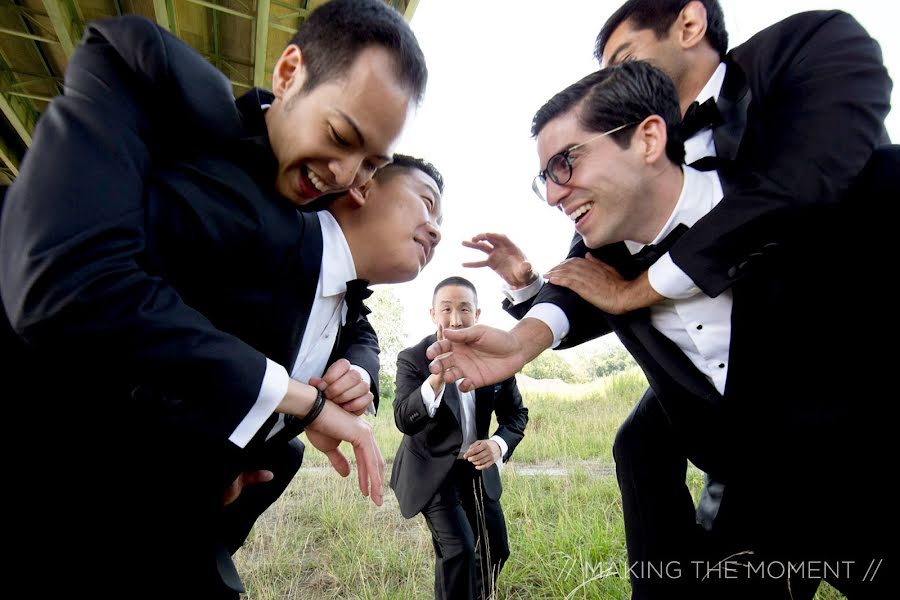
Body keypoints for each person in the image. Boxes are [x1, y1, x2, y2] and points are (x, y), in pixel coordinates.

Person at [460, 1, 892, 596]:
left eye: (567, 163)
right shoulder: (611, 235)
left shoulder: (796, 138)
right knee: (638, 445)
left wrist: (645, 286)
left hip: (869, 469)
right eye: (546, 178)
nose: (557, 195)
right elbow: (577, 287)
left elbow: (806, 184)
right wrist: (519, 335)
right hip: (748, 491)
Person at [0, 0, 430, 596]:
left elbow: (350, 312)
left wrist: (202, 469)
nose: (345, 175)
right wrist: (301, 403)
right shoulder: (154, 79)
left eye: (371, 163)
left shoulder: (305, 223)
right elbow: (68, 283)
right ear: (287, 75)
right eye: (340, 136)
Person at [390, 276, 528, 600]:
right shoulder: (412, 358)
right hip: (433, 471)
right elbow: (402, 419)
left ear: (477, 314)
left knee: (496, 549)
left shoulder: (496, 356)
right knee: (459, 552)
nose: (455, 318)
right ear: (432, 314)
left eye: (464, 308)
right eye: (446, 309)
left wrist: (497, 444)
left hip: (475, 469)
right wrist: (436, 379)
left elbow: (516, 416)